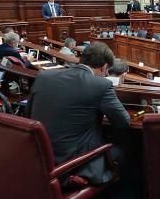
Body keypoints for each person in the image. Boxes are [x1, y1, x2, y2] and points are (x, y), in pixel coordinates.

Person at [27, 42, 130, 186]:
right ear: (105, 67)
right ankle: (101, 198)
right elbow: (123, 122)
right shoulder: (101, 85)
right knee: (123, 146)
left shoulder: (44, 76)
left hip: (39, 157)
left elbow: (28, 113)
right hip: (73, 164)